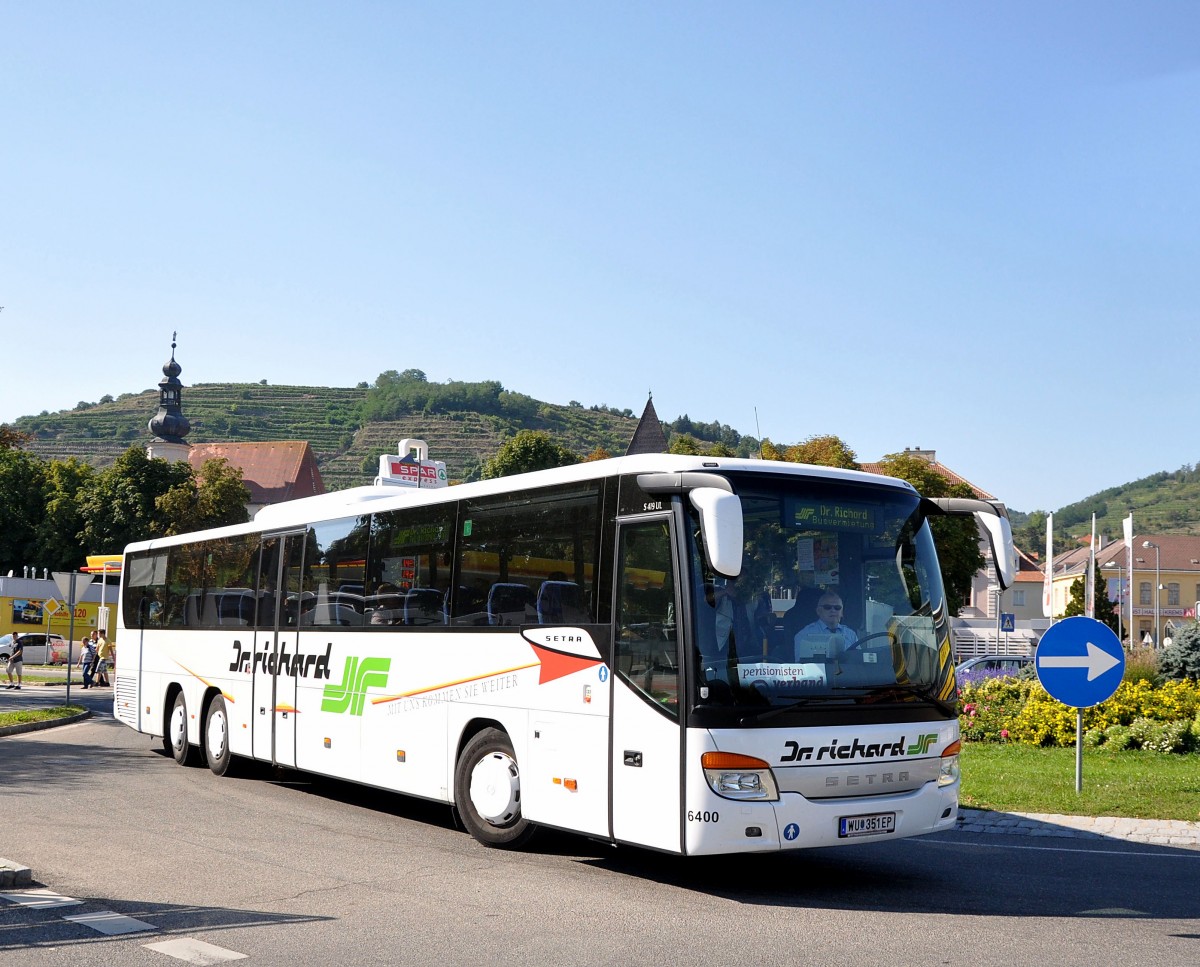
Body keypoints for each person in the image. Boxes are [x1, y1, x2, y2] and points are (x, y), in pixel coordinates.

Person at [794, 591, 858, 661]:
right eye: (827, 607)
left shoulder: (851, 635)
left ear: (842, 612)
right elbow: (801, 665)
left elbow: (859, 661)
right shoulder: (804, 635)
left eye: (837, 607)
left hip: (848, 671)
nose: (833, 610)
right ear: (818, 611)